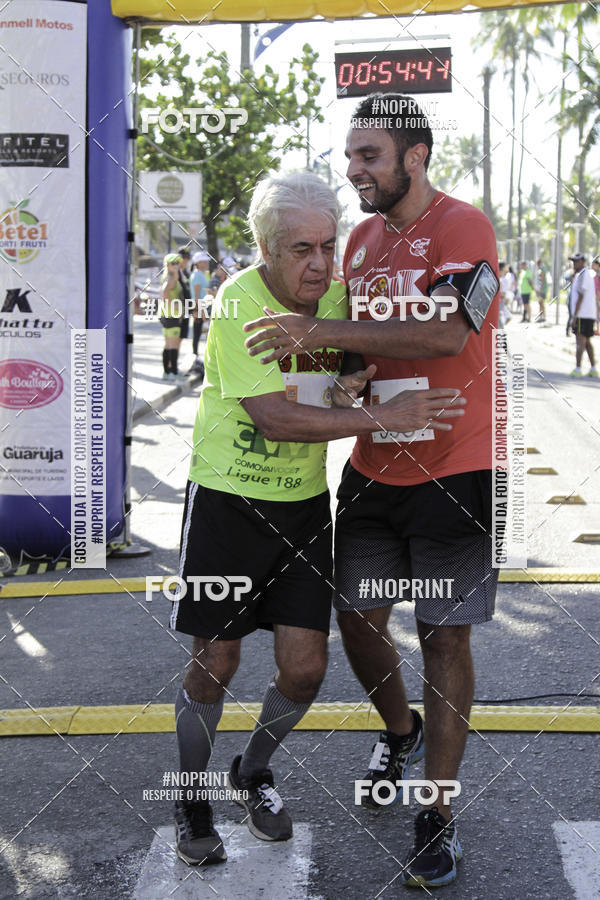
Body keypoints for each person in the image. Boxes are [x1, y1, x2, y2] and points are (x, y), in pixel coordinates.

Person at [169, 171, 466, 868]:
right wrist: (375, 416)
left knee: (304, 672)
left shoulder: (336, 296)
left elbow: (363, 351)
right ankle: (189, 797)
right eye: (302, 249)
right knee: (214, 662)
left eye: (329, 247)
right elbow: (273, 417)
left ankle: (253, 771)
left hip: (301, 512)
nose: (320, 265)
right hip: (227, 504)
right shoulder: (236, 301)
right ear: (268, 250)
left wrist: (356, 373)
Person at [244, 93, 500, 889]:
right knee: (356, 623)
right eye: (351, 155)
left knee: (446, 636)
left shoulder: (465, 228)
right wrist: (347, 376)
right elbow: (365, 352)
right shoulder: (356, 239)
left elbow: (448, 333)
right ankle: (401, 727)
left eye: (369, 157)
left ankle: (437, 813)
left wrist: (319, 336)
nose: (352, 169)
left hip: (455, 468)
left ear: (414, 157)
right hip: (370, 469)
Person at [567, 252, 597, 377]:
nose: (574, 264)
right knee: (587, 342)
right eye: (573, 261)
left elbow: (580, 296)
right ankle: (593, 368)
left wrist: (574, 316)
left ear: (582, 262)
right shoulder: (582, 274)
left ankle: (578, 369)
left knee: (580, 341)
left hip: (582, 315)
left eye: (576, 261)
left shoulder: (583, 275)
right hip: (588, 314)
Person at [157, 253, 186, 381]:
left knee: (168, 343)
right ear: (167, 265)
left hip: (165, 314)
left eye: (177, 263)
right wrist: (176, 307)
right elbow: (164, 292)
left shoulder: (168, 275)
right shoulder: (172, 277)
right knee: (172, 344)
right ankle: (173, 372)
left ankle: (167, 372)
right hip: (171, 315)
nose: (176, 266)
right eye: (173, 263)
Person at [189, 251, 211, 373]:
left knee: (199, 333)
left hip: (203, 307)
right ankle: (195, 357)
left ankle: (197, 357)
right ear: (198, 263)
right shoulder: (197, 275)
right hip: (199, 307)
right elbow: (197, 294)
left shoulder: (202, 274)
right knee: (197, 333)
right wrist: (198, 310)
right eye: (204, 260)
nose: (206, 262)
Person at [177, 246, 192, 343]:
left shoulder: (187, 273)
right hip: (176, 310)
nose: (185, 260)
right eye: (183, 257)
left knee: (180, 338)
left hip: (186, 309)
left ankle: (175, 358)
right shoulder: (174, 273)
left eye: (187, 258)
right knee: (173, 340)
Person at [498, 261, 513, 327]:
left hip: (499, 306)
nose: (506, 272)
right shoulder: (497, 279)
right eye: (505, 270)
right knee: (499, 326)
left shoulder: (499, 279)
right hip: (497, 308)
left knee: (500, 326)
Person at [535, 258, 547, 322]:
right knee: (540, 303)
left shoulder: (542, 270)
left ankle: (543, 316)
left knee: (541, 303)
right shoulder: (541, 269)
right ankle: (541, 316)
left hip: (542, 289)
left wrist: (540, 290)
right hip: (541, 288)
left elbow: (543, 280)